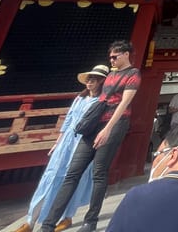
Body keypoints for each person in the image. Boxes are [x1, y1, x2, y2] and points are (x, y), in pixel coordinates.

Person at [40, 41, 141, 232]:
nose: (111, 59)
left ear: (126, 54)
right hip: (94, 124)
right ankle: (48, 223)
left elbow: (124, 103)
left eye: (115, 56)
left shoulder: (133, 74)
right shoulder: (110, 75)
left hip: (115, 123)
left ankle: (91, 220)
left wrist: (108, 129)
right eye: (110, 56)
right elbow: (99, 99)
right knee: (72, 173)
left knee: (99, 172)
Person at [14, 65, 109, 232]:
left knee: (75, 179)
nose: (89, 82)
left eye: (93, 79)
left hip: (85, 143)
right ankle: (31, 221)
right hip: (66, 142)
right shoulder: (79, 99)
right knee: (50, 178)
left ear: (102, 81)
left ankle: (67, 217)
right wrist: (58, 142)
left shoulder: (103, 102)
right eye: (88, 79)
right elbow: (68, 120)